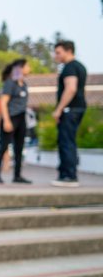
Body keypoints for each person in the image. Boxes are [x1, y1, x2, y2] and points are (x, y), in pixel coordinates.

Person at [51, 40, 87, 187]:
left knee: (66, 142)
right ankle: (67, 174)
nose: (56, 55)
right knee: (69, 141)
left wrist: (59, 109)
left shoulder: (69, 68)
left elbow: (71, 89)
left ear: (68, 51)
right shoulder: (80, 67)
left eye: (58, 52)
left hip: (69, 110)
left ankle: (69, 176)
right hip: (77, 108)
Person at [0, 59, 32, 184]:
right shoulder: (10, 83)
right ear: (20, 68)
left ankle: (17, 175)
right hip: (11, 117)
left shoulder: (24, 84)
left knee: (19, 148)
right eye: (27, 66)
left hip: (21, 117)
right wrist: (6, 120)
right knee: (3, 146)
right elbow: (3, 102)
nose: (29, 68)